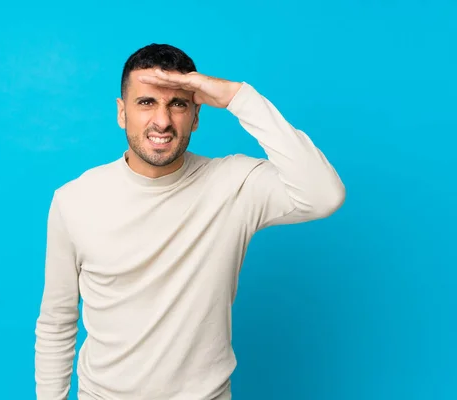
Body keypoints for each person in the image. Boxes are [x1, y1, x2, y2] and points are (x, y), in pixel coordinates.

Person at [34, 43, 345, 400]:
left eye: (177, 104)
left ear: (196, 116)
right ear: (122, 112)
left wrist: (238, 97)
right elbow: (57, 323)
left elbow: (325, 194)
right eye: (146, 102)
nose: (162, 121)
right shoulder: (75, 200)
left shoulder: (233, 185)